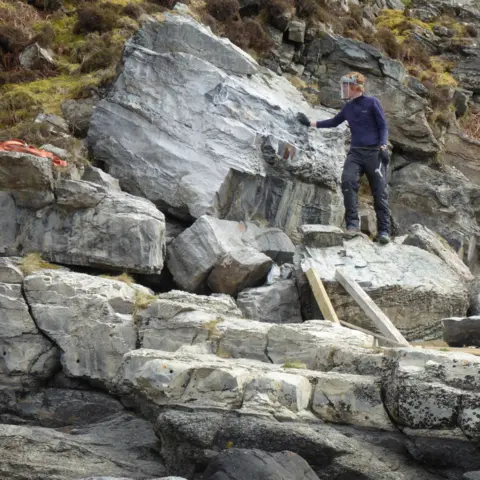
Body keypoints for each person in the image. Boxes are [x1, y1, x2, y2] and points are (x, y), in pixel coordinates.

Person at [297, 72, 391, 244]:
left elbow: (383, 126)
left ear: (355, 86)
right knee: (347, 181)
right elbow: (334, 122)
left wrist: (383, 146)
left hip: (374, 153)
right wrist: (309, 123)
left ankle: (384, 231)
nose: (343, 89)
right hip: (355, 152)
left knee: (379, 192)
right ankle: (352, 225)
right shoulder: (348, 108)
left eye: (346, 85)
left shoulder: (372, 103)